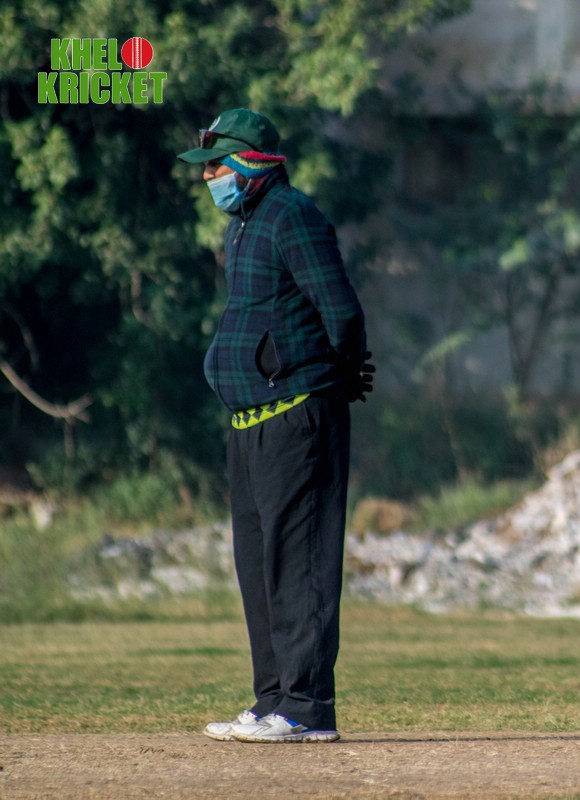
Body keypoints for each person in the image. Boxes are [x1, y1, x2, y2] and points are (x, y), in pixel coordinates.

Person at [177, 108, 374, 743]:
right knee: (258, 566)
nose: (208, 176)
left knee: (300, 563)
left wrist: (344, 373)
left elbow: (340, 310)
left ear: (249, 163)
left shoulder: (293, 216)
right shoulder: (244, 225)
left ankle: (308, 709)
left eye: (215, 165)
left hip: (297, 415)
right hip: (249, 420)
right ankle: (273, 702)